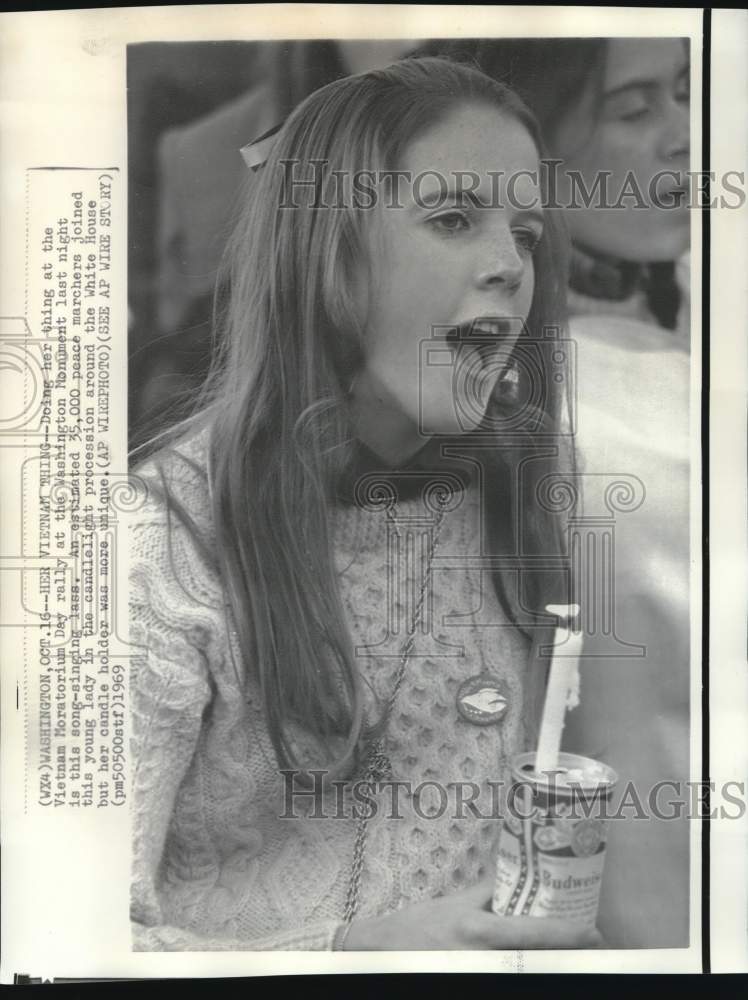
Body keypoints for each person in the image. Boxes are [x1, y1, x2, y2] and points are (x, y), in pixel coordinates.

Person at [129, 57, 600, 951]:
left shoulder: (536, 491)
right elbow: (69, 941)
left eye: (527, 233)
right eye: (454, 218)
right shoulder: (157, 535)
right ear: (326, 250)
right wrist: (353, 954)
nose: (508, 264)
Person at [424, 38, 692, 948]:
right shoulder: (516, 396)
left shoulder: (678, 337)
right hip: (616, 898)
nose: (685, 138)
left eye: (687, 96)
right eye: (633, 108)